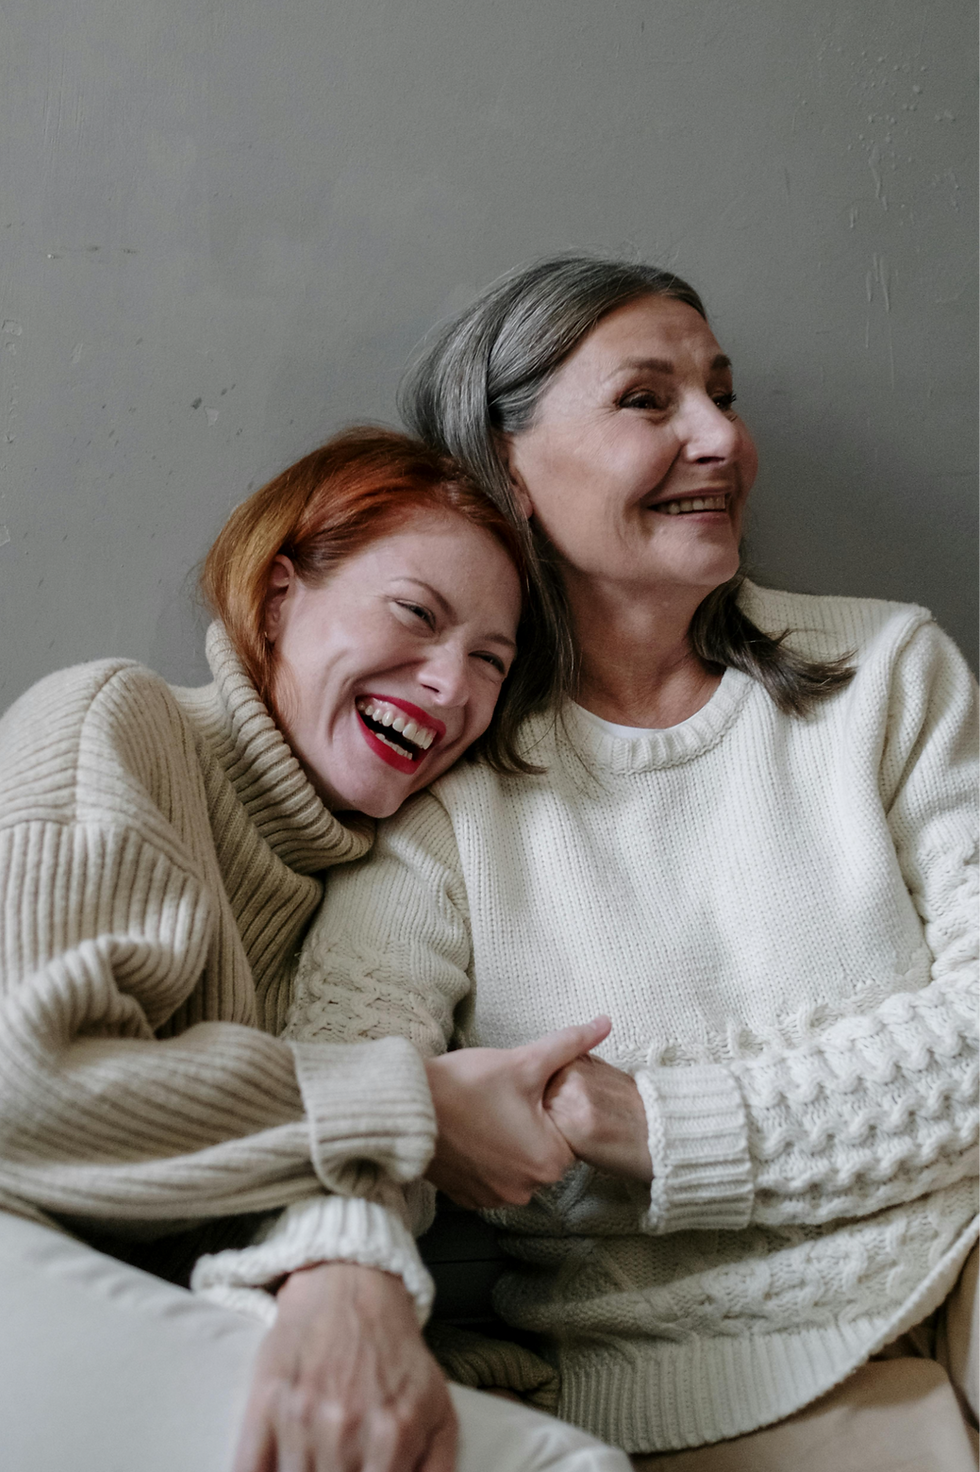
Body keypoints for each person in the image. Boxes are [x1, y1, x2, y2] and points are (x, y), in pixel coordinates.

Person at [289, 258, 980, 1470]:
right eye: (646, 401)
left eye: (720, 391)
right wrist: (337, 1280)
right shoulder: (443, 799)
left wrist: (659, 1125)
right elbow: (347, 1091)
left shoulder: (889, 672)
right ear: (508, 467)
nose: (720, 436)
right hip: (681, 1383)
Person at [0, 425, 631, 1472]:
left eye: (488, 660)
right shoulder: (120, 724)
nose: (446, 685)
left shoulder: (361, 881)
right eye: (416, 614)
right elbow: (25, 1087)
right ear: (280, 594)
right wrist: (417, 1106)